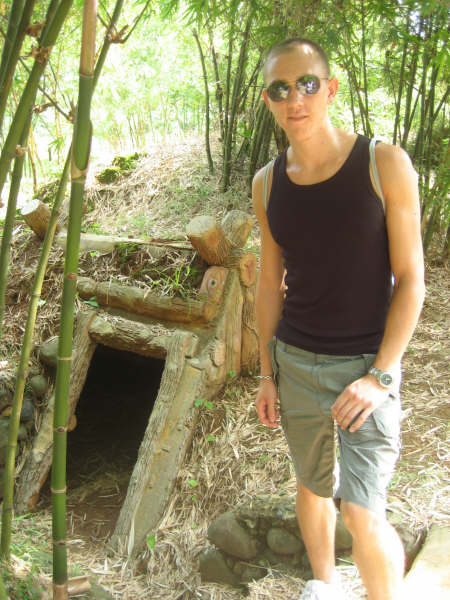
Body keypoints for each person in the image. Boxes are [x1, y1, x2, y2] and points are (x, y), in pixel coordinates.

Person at [252, 38, 425, 600]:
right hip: (296, 361)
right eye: (281, 89)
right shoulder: (267, 183)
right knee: (311, 484)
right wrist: (265, 371)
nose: (294, 98)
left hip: (365, 368)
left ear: (329, 89)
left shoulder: (383, 163)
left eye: (306, 84)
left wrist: (381, 375)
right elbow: (270, 284)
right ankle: (325, 587)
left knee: (363, 510)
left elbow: (412, 280)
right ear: (268, 100)